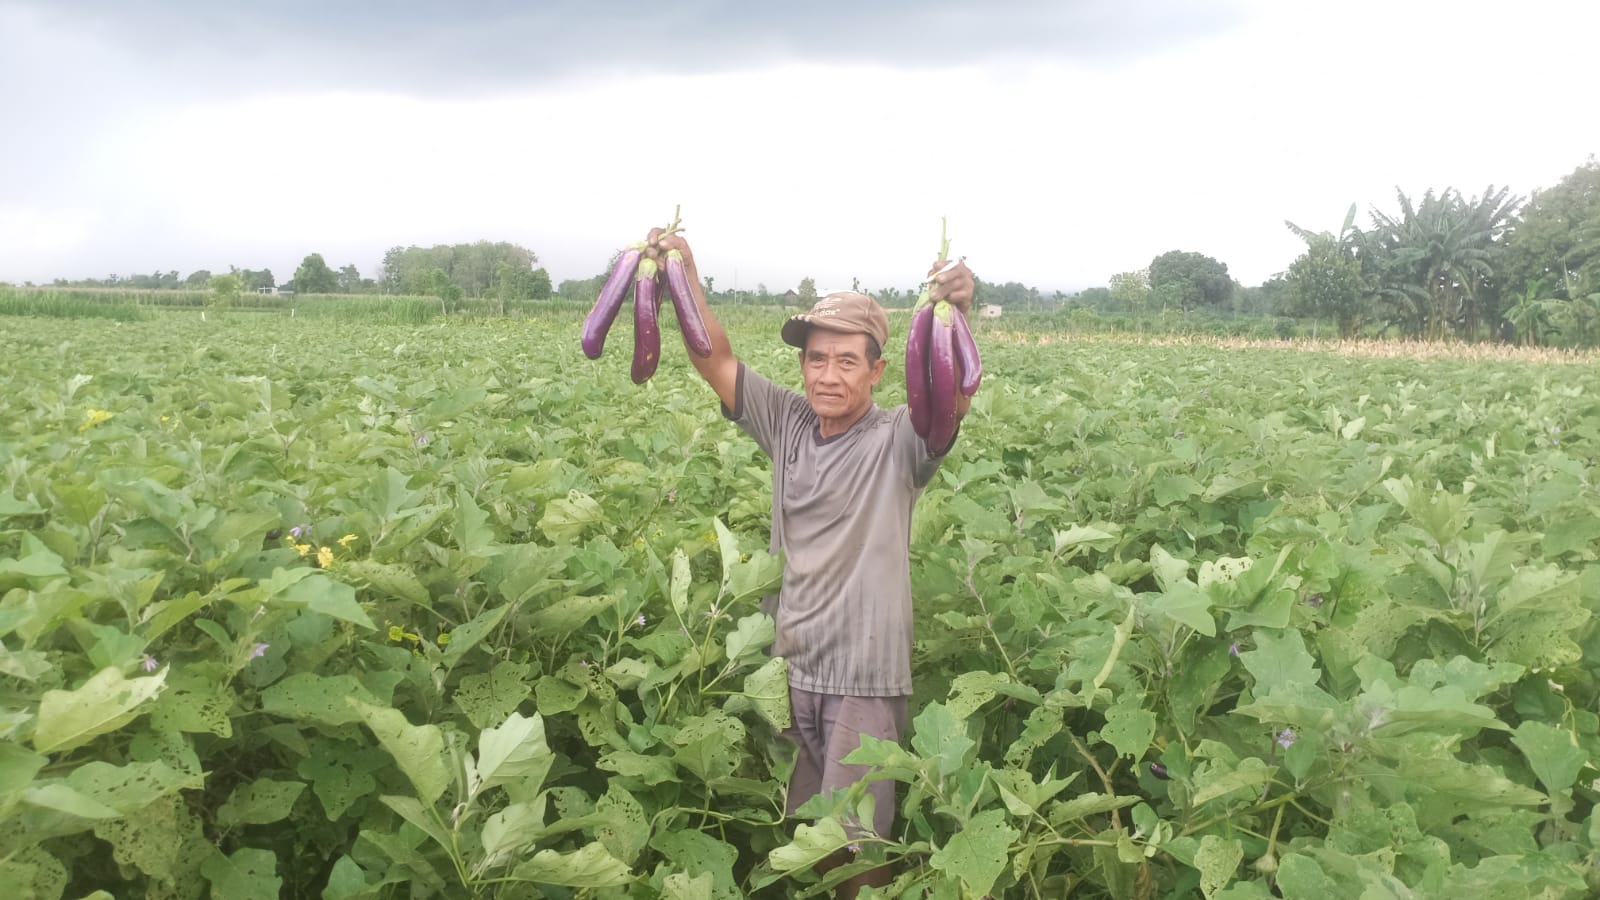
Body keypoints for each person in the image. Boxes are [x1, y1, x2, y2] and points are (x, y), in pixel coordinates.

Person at [652, 229, 976, 898]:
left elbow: (950, 400)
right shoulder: (788, 422)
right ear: (802, 365)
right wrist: (683, 273)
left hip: (863, 678)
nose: (828, 375)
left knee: (855, 850)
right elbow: (715, 358)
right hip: (788, 669)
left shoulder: (900, 440)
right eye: (817, 359)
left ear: (877, 371)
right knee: (803, 834)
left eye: (847, 361)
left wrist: (957, 316)